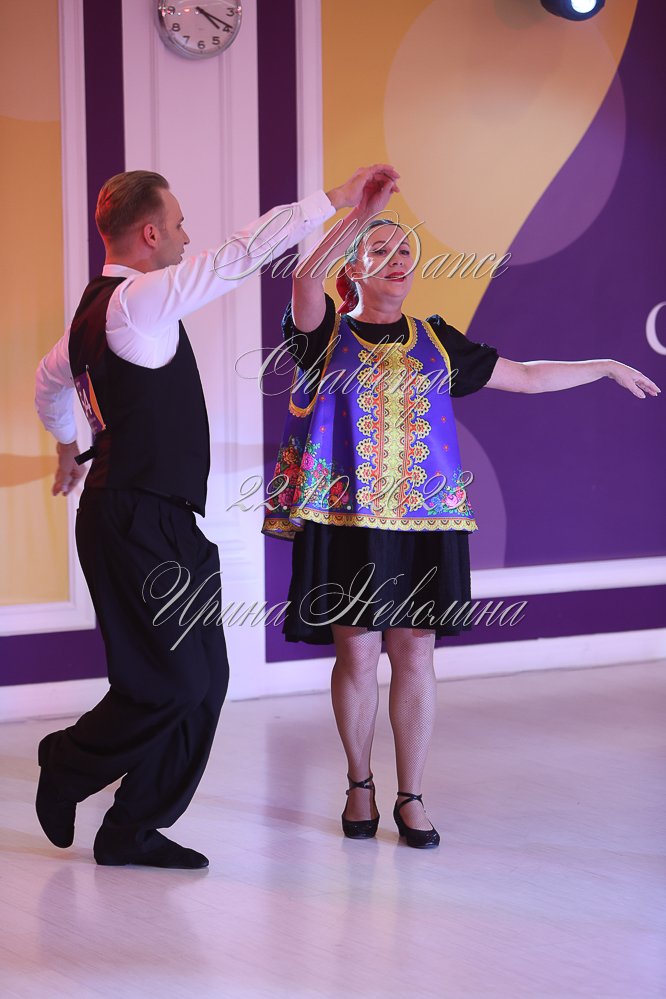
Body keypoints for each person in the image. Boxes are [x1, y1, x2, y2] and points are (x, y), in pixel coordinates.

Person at [263, 172, 660, 849]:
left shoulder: (438, 340)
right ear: (351, 269)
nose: (397, 260)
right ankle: (359, 783)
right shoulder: (321, 335)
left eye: (405, 251)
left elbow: (527, 376)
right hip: (345, 520)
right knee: (357, 654)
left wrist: (599, 364)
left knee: (415, 653)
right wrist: (359, 216)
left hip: (426, 523)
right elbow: (304, 278)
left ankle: (411, 794)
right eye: (379, 250)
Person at [34, 164, 393, 869]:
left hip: (164, 520)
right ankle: (67, 761)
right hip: (132, 518)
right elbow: (240, 254)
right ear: (149, 233)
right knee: (169, 682)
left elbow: (48, 387)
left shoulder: (93, 320)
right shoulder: (137, 301)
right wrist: (338, 199)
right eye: (177, 225)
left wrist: (68, 448)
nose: (184, 236)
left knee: (206, 684)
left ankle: (132, 828)